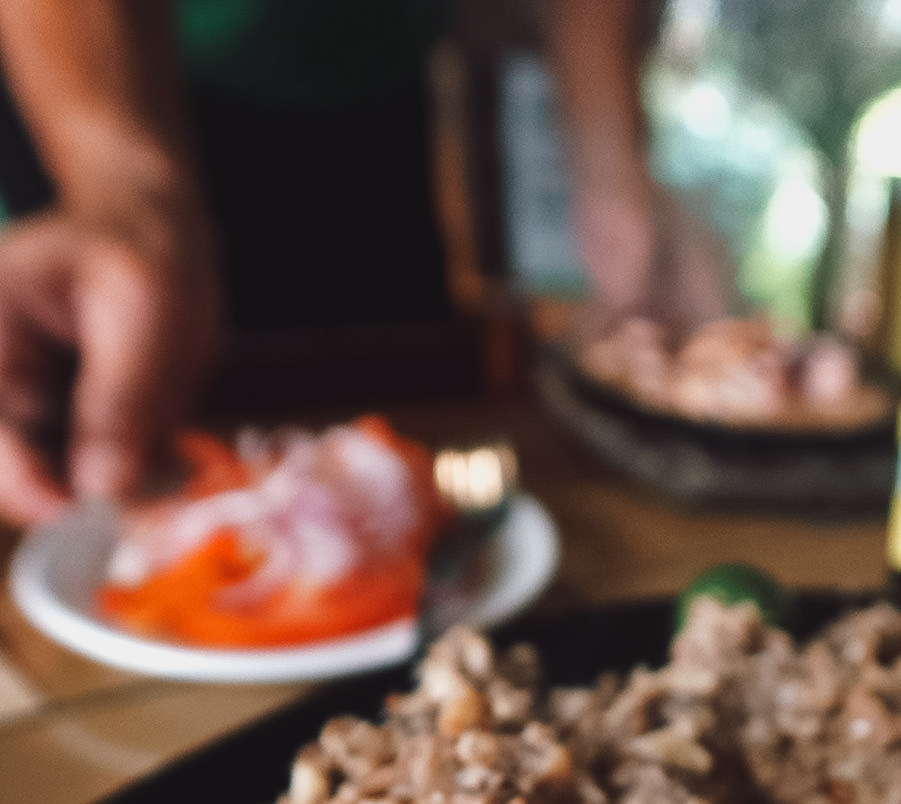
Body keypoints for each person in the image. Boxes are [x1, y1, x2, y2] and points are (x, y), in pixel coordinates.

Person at [0, 0, 696, 528]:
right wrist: (122, 189)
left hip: (368, 86)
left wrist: (610, 164)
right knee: (99, 466)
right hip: (81, 82)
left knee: (397, 463)